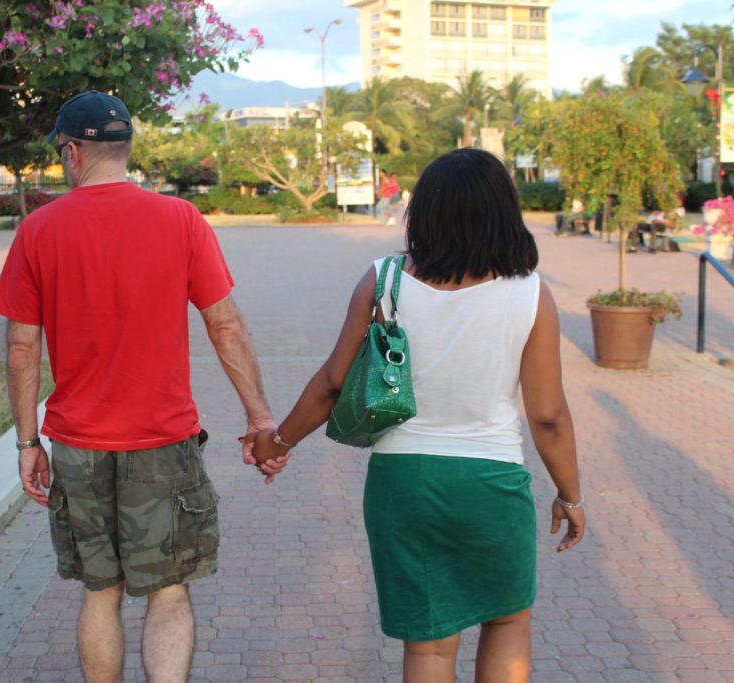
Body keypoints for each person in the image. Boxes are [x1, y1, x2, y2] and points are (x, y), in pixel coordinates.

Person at [245, 149, 585, 683]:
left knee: (428, 648)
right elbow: (548, 416)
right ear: (504, 211)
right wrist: (569, 494)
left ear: (424, 212)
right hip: (491, 479)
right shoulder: (530, 294)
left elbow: (334, 382)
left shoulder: (384, 282)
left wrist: (276, 442)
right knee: (508, 619)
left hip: (404, 482)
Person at [0, 90, 285, 683]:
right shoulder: (179, 219)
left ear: (72, 152)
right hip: (161, 442)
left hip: (79, 445)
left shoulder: (38, 231)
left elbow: (24, 346)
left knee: (101, 593)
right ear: (126, 148)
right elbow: (224, 323)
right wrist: (260, 420)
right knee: (168, 592)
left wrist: (28, 443)